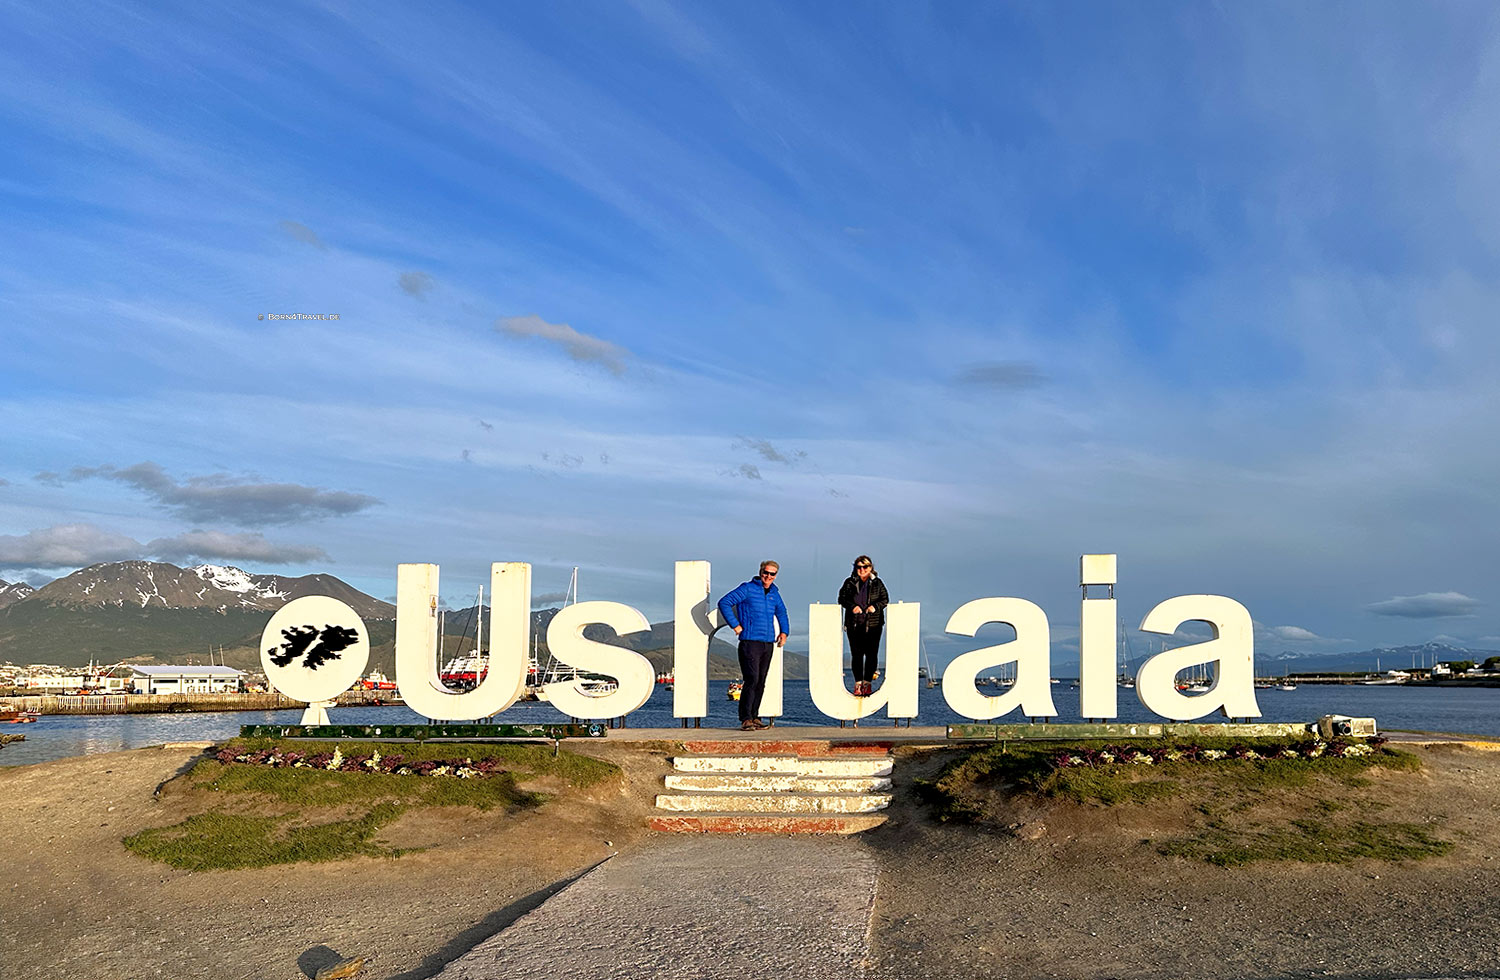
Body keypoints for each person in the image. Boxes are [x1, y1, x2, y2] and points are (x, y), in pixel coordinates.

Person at [717, 560, 790, 730]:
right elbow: (724, 602)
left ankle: (755, 717)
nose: (768, 576)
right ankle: (746, 718)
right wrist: (735, 625)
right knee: (752, 679)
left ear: (776, 575)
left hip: (768, 642)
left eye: (772, 574)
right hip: (750, 641)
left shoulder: (774, 593)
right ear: (760, 571)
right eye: (766, 572)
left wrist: (784, 632)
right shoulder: (747, 588)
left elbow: (782, 612)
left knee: (761, 681)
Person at [838, 555, 888, 697]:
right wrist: (852, 606)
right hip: (854, 624)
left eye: (865, 567)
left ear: (870, 567)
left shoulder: (877, 583)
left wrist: (875, 607)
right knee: (857, 655)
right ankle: (858, 683)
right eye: (858, 567)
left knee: (871, 654)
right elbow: (841, 598)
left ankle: (867, 683)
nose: (862, 570)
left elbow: (885, 599)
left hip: (873, 624)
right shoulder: (849, 583)